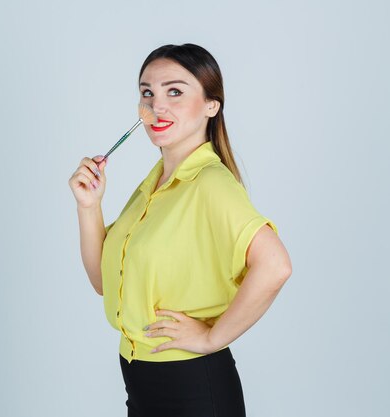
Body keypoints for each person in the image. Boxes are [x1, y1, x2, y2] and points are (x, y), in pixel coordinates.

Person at [68, 43, 292, 417]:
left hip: (191, 385)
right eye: (147, 93)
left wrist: (211, 338)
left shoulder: (210, 183)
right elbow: (104, 284)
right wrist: (89, 207)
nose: (158, 106)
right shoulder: (153, 186)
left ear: (211, 105)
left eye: (175, 91)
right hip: (140, 379)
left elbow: (276, 265)